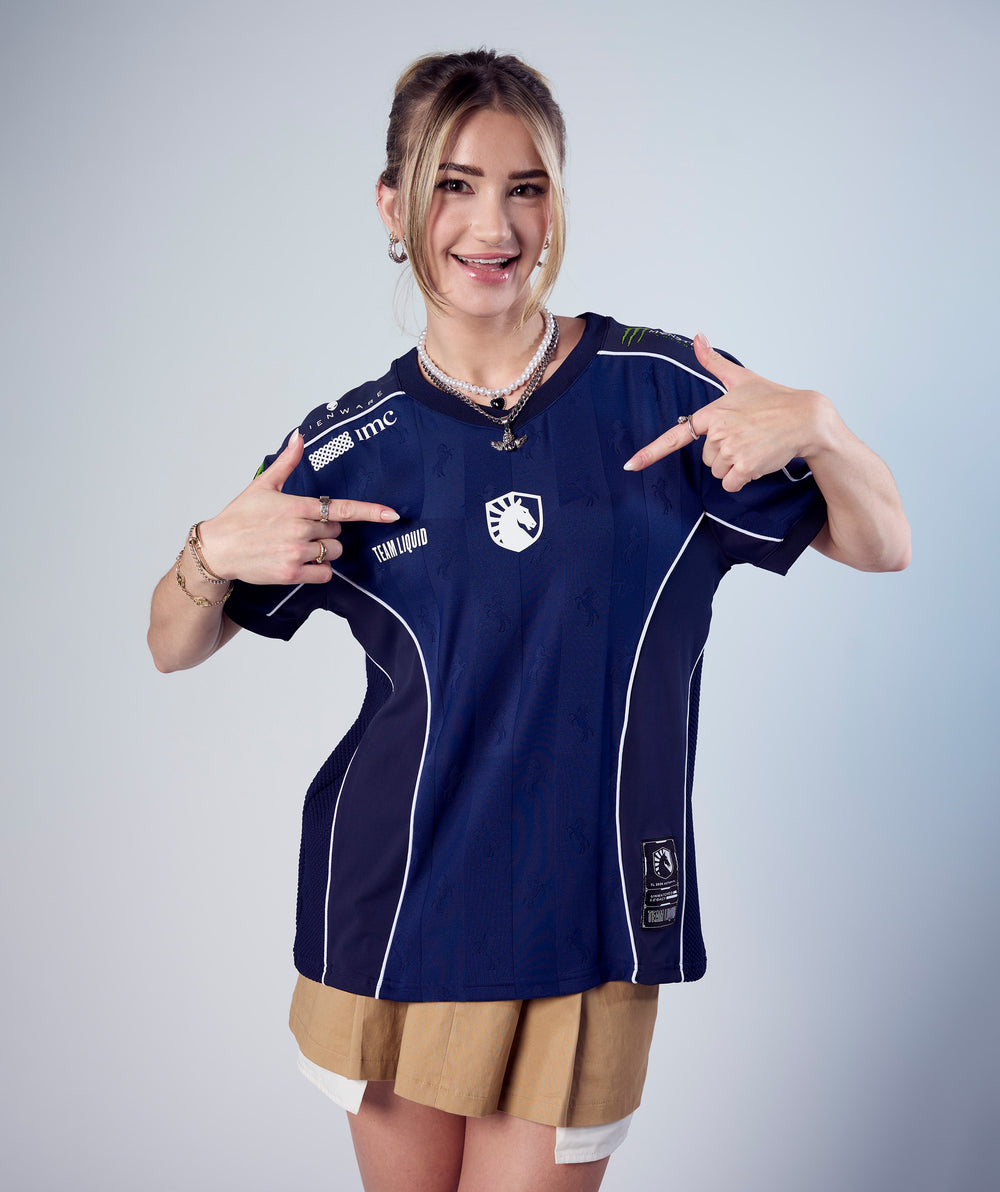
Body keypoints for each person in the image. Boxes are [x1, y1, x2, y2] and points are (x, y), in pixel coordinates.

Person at [148, 49, 910, 1192]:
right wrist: (208, 553)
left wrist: (825, 430)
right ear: (393, 206)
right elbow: (172, 642)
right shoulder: (354, 440)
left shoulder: (666, 391)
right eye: (452, 186)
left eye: (525, 186)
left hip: (587, 911)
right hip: (394, 907)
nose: (491, 225)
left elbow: (880, 542)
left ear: (556, 202)